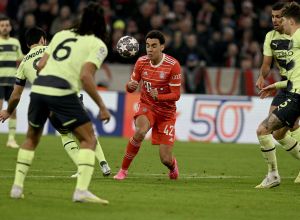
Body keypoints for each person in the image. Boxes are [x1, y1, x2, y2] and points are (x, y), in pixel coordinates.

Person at [8, 3, 111, 204]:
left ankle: (17, 187)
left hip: (38, 90)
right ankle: (81, 191)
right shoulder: (98, 45)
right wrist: (102, 106)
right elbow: (85, 77)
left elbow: (42, 65)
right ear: (102, 23)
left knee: (31, 138)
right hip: (62, 91)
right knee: (88, 138)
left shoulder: (62, 35)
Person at [114, 30, 181, 180]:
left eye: (154, 46)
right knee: (140, 131)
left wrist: (161, 97)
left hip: (167, 114)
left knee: (165, 159)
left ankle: (173, 165)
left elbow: (176, 95)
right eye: (148, 45)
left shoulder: (173, 65)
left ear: (162, 47)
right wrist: (129, 86)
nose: (150, 49)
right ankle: (123, 170)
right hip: (147, 105)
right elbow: (131, 86)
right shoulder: (141, 62)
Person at [257, 2, 300, 189]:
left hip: (296, 92)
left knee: (265, 129)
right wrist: (266, 80)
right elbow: (267, 64)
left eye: (279, 17)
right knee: (278, 133)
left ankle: (273, 175)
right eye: (272, 16)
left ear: (288, 19)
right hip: (287, 85)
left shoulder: (296, 37)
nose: (275, 20)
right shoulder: (272, 37)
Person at [0, 15, 23, 148]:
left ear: (10, 27)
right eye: (2, 25)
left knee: (12, 110)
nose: (4, 27)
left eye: (6, 25)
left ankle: (11, 139)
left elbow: (20, 59)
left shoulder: (15, 43)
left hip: (11, 81)